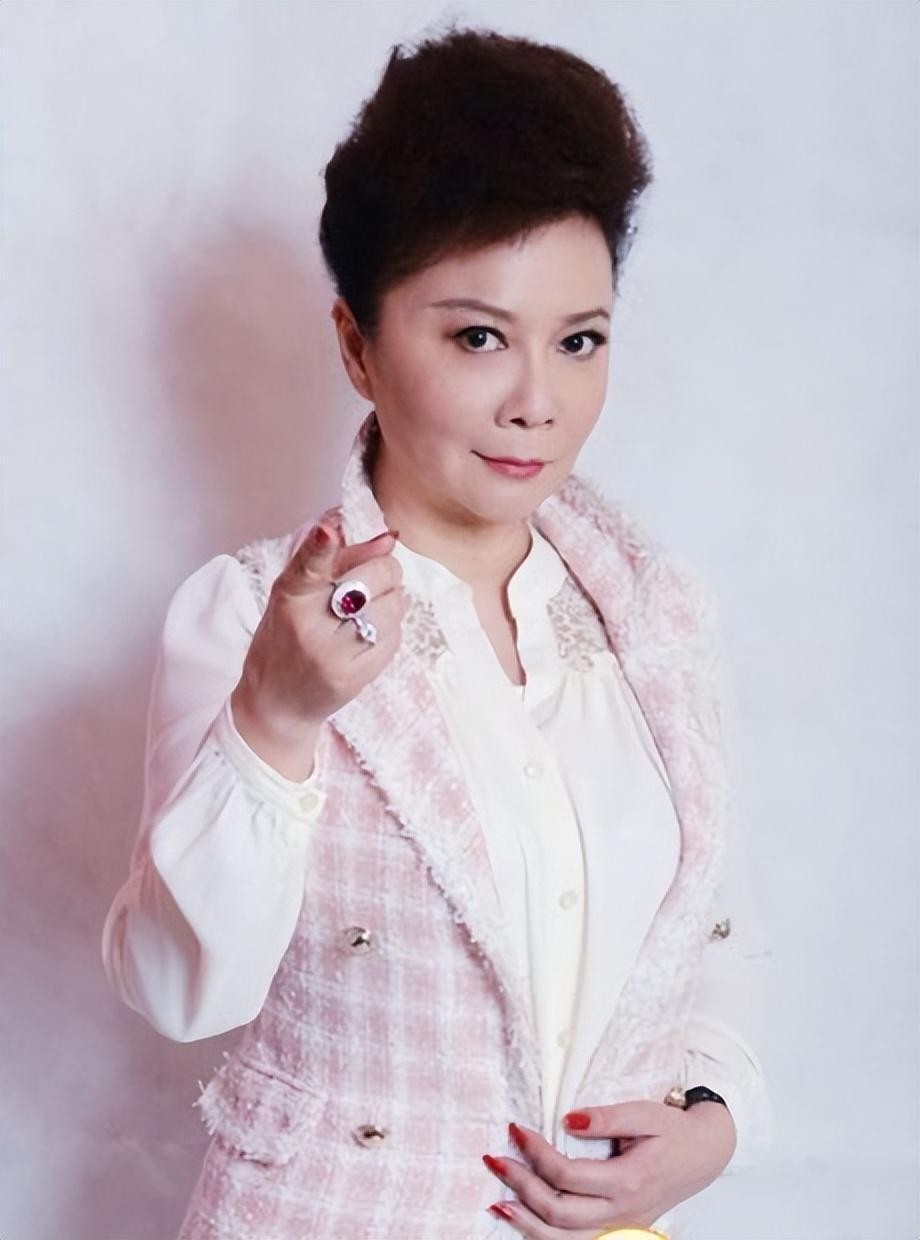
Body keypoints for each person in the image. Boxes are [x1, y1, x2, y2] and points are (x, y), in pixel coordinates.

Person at [101, 23, 773, 1240]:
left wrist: (714, 1116)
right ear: (356, 346)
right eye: (477, 336)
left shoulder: (656, 613)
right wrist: (274, 719)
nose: (537, 402)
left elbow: (705, 924)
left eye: (579, 340)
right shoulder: (248, 617)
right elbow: (179, 989)